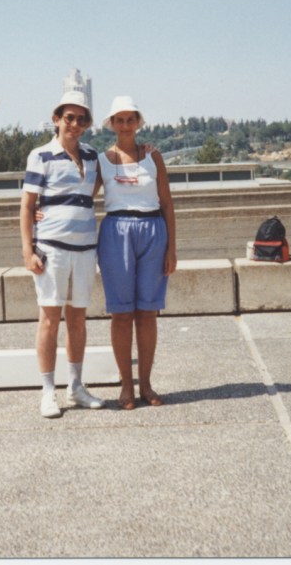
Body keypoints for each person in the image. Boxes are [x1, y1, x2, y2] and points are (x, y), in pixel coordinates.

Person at [20, 89, 105, 418]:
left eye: (81, 119)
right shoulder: (40, 155)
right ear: (56, 119)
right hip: (52, 251)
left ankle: (76, 387)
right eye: (69, 118)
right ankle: (47, 391)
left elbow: (92, 190)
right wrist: (29, 252)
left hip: (85, 251)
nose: (75, 124)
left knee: (78, 321)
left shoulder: (92, 156)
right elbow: (26, 206)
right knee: (49, 321)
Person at [96, 95, 177, 410]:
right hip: (116, 233)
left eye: (131, 119)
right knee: (121, 313)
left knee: (147, 313)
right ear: (112, 124)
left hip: (152, 231)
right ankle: (125, 386)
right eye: (120, 120)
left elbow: (167, 203)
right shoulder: (101, 159)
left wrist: (172, 246)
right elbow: (81, 195)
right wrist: (42, 211)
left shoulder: (153, 156)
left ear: (138, 122)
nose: (126, 125)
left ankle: (145, 383)